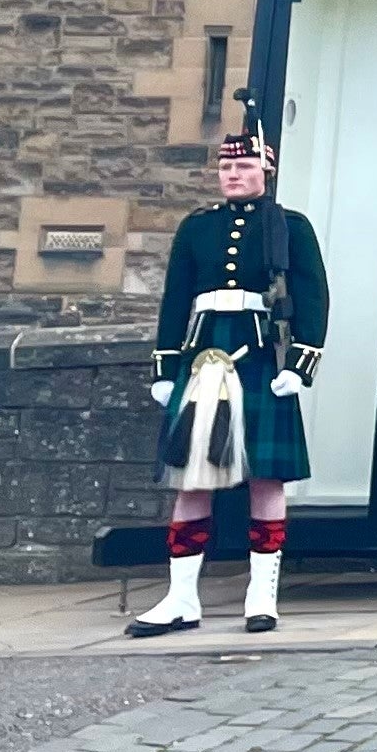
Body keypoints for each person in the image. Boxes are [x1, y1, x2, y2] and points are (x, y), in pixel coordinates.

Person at [131, 105, 330, 638]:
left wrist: (302, 363)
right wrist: (166, 365)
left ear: (265, 170)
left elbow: (312, 296)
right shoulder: (198, 227)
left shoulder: (289, 226)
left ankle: (260, 595)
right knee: (190, 478)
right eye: (226, 169)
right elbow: (175, 299)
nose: (233, 176)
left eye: (243, 168)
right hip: (203, 359)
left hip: (259, 356)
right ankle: (180, 598)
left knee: (267, 476)